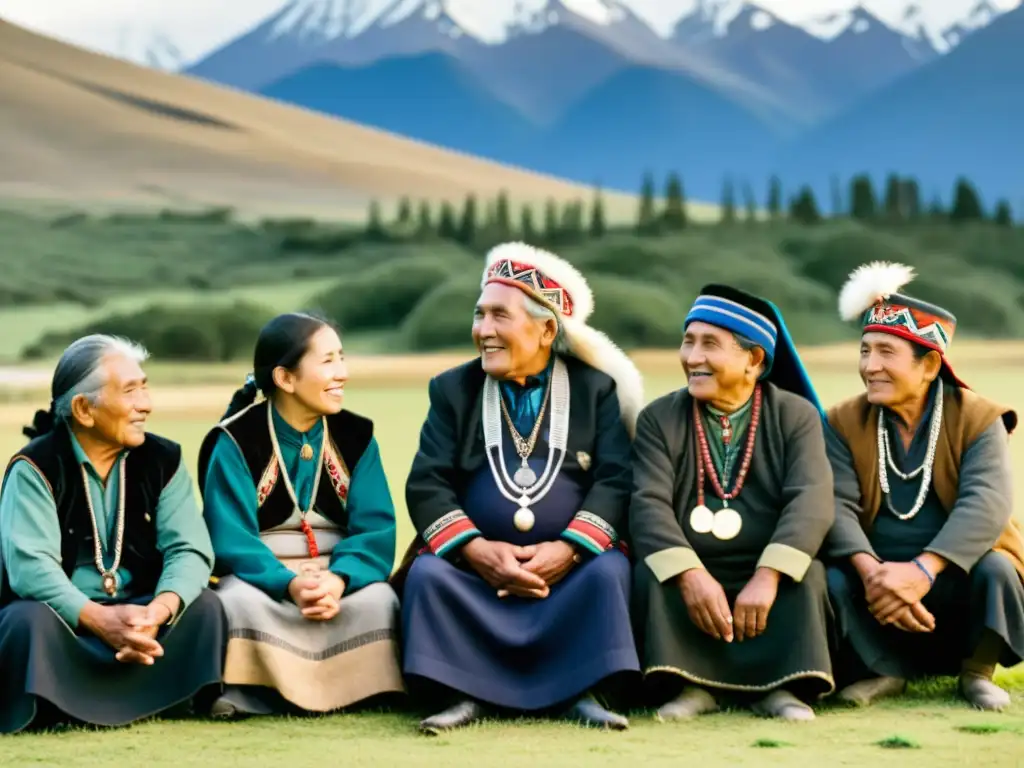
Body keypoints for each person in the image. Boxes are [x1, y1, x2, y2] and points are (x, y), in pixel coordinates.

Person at [394, 242, 645, 734]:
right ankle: (461, 692)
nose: (483, 330)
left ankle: (584, 691)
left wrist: (570, 549)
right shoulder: (452, 390)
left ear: (547, 329)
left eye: (499, 316)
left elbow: (616, 479)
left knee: (608, 571)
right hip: (474, 572)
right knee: (429, 576)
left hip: (572, 571)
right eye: (479, 314)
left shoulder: (596, 391)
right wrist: (475, 550)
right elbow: (428, 481)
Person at [629, 285, 836, 722]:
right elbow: (648, 503)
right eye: (688, 341)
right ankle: (691, 685)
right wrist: (689, 574)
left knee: (808, 574)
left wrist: (768, 574)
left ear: (754, 360)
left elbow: (811, 500)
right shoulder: (659, 418)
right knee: (655, 575)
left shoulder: (795, 416)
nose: (692, 357)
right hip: (692, 560)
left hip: (767, 563)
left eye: (709, 344)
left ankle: (780, 688)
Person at [0, 334, 225, 734]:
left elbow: (189, 549)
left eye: (145, 387)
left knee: (205, 606)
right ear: (84, 409)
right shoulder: (35, 467)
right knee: (26, 621)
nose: (146, 405)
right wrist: (99, 618)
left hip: (141, 616)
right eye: (130, 391)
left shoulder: (163, 459)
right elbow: (30, 569)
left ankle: (159, 695)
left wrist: (158, 611)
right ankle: (55, 704)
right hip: (66, 624)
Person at [824, 261, 1024, 711]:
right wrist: (874, 573)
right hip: (873, 586)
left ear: (930, 363)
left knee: (997, 569)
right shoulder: (842, 421)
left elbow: (986, 505)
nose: (869, 366)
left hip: (951, 579)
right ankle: (881, 670)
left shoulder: (978, 418)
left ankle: (976, 672)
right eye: (864, 351)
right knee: (831, 578)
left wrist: (921, 572)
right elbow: (835, 505)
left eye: (885, 353)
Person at [196, 312, 403, 717]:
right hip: (262, 577)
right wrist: (288, 584)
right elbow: (230, 537)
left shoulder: (357, 436)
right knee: (236, 602)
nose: (341, 373)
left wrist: (339, 579)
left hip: (336, 570)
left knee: (379, 600)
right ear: (285, 379)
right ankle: (252, 694)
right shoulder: (235, 440)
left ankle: (364, 690)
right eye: (327, 362)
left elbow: (375, 527)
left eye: (341, 358)